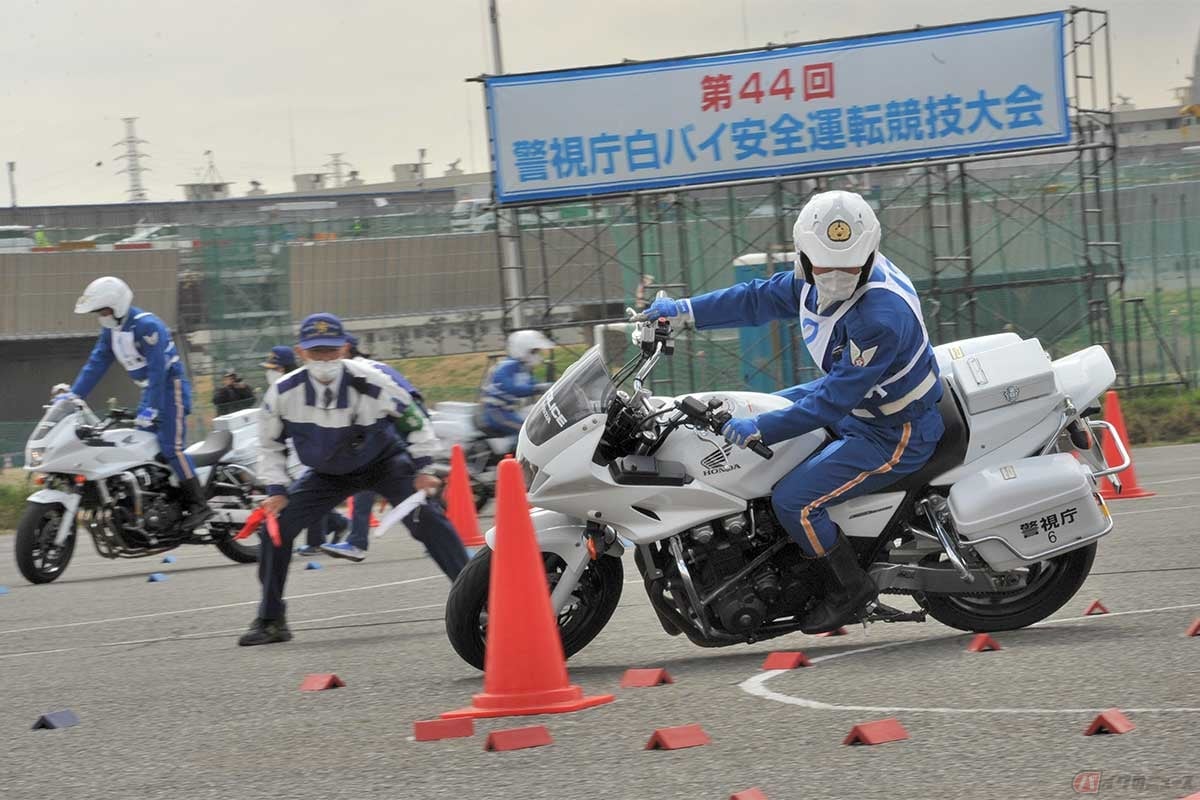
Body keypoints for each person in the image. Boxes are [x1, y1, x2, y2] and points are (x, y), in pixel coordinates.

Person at [642, 190, 944, 633]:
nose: (837, 277)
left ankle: (850, 588)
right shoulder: (810, 280)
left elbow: (831, 403)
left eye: (849, 267)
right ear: (803, 256)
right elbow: (754, 299)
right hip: (859, 403)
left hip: (893, 429)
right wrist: (683, 312)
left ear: (869, 254)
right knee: (763, 406)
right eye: (824, 266)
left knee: (794, 501)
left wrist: (759, 429)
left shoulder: (878, 316)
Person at [239, 313, 469, 646]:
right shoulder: (282, 393)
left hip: (383, 462)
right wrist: (276, 490)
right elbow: (269, 445)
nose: (324, 359)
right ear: (301, 352)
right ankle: (271, 619)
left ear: (345, 348)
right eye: (316, 352)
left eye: (331, 351)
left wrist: (424, 469)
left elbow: (416, 421)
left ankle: (481, 601)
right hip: (325, 474)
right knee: (276, 529)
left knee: (428, 519)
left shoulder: (374, 381)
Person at [58, 276, 212, 530]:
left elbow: (158, 371)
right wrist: (74, 396)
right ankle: (161, 501)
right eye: (98, 312)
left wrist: (151, 407)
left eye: (104, 310)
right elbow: (96, 364)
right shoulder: (111, 331)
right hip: (150, 391)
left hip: (169, 388)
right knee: (142, 446)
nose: (101, 316)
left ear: (118, 306)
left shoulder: (147, 326)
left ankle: (199, 505)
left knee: (170, 446)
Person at [321, 335, 441, 563]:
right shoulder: (364, 368)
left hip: (407, 424)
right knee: (375, 482)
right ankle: (358, 541)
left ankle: (358, 542)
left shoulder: (360, 371)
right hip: (404, 424)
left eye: (331, 352)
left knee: (394, 481)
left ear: (345, 351)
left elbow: (403, 404)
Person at [261, 343, 346, 556]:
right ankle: (338, 523)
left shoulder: (302, 387)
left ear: (285, 368)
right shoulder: (280, 390)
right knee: (306, 494)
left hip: (309, 452)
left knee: (309, 493)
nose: (269, 372)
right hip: (290, 453)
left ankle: (316, 541)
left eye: (274, 368)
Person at [476, 330, 554, 438]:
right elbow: (509, 387)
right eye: (534, 351)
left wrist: (553, 386)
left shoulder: (521, 368)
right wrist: (537, 388)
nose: (537, 355)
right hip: (496, 413)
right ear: (523, 350)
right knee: (528, 433)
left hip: (508, 411)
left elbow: (535, 384)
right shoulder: (506, 366)